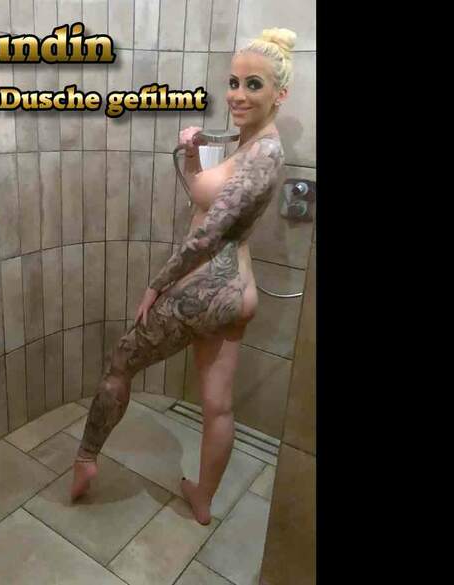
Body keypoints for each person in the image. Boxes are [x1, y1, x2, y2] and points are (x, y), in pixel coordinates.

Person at [71, 27, 297, 525]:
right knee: (217, 405)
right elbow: (205, 197)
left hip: (209, 284)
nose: (238, 95)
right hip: (233, 291)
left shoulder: (265, 153)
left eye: (253, 85)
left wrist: (156, 285)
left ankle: (85, 458)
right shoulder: (250, 143)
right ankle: (202, 499)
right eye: (233, 82)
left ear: (280, 94)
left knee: (120, 364)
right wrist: (193, 153)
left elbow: (210, 232)